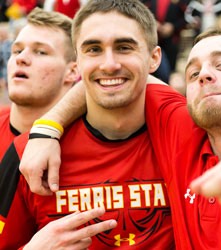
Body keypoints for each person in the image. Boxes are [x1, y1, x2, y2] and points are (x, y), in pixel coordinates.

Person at [19, 28, 221, 249]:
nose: (204, 74)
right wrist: (48, 127)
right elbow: (114, 74)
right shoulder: (180, 131)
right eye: (193, 72)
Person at [0, 1, 174, 249]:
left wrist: (48, 125)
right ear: (79, 63)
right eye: (93, 49)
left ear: (154, 58)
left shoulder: (185, 132)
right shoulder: (25, 154)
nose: (109, 63)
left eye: (124, 47)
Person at [0, 7, 79, 160]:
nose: (21, 58)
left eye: (40, 52)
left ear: (72, 72)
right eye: (17, 50)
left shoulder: (93, 139)